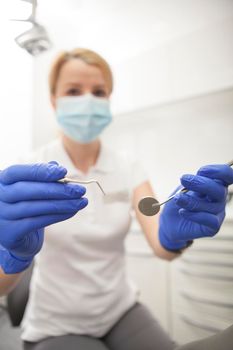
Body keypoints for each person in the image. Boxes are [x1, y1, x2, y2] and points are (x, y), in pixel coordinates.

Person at [0, 48, 232, 350]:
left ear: (109, 100)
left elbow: (161, 245)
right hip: (55, 322)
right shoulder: (32, 169)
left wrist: (173, 236)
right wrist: (15, 257)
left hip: (120, 310)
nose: (87, 100)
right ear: (54, 100)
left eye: (98, 91)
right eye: (73, 90)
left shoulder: (127, 165)